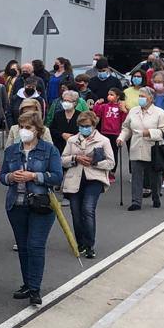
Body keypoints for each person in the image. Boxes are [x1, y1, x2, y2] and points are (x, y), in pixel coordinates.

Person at [0, 111, 63, 307]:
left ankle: (35, 288)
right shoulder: (12, 151)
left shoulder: (49, 150)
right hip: (16, 204)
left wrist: (34, 176)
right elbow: (2, 176)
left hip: (40, 204)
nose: (24, 131)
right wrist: (11, 177)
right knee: (23, 247)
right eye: (21, 127)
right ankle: (27, 284)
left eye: (28, 127)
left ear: (37, 130)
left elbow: (57, 176)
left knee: (36, 245)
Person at [61, 111, 114, 259]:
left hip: (94, 179)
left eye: (87, 126)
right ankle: (81, 242)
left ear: (93, 125)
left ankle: (90, 245)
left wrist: (95, 162)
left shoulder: (103, 141)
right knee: (76, 212)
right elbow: (63, 159)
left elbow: (111, 163)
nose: (84, 128)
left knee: (88, 209)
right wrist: (75, 158)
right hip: (75, 179)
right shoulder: (72, 140)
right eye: (81, 126)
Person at [118, 86, 164, 211]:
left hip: (153, 148)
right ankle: (136, 201)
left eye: (143, 97)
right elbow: (126, 128)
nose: (140, 99)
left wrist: (149, 132)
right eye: (139, 96)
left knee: (155, 176)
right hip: (136, 146)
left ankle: (156, 197)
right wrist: (121, 138)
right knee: (136, 175)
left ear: (151, 98)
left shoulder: (160, 113)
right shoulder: (133, 111)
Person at [92, 88, 125, 179]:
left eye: (112, 95)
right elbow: (96, 113)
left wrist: (124, 110)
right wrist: (97, 104)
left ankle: (112, 172)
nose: (109, 96)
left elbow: (124, 118)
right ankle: (102, 170)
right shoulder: (104, 106)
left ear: (117, 96)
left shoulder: (120, 107)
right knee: (102, 152)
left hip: (115, 133)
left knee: (114, 152)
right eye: (108, 94)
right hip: (104, 132)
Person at [48, 89, 81, 154]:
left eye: (68, 101)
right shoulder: (58, 114)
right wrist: (62, 134)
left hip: (75, 148)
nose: (66, 102)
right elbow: (52, 130)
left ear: (75, 103)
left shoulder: (80, 115)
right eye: (64, 100)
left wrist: (72, 137)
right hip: (59, 148)